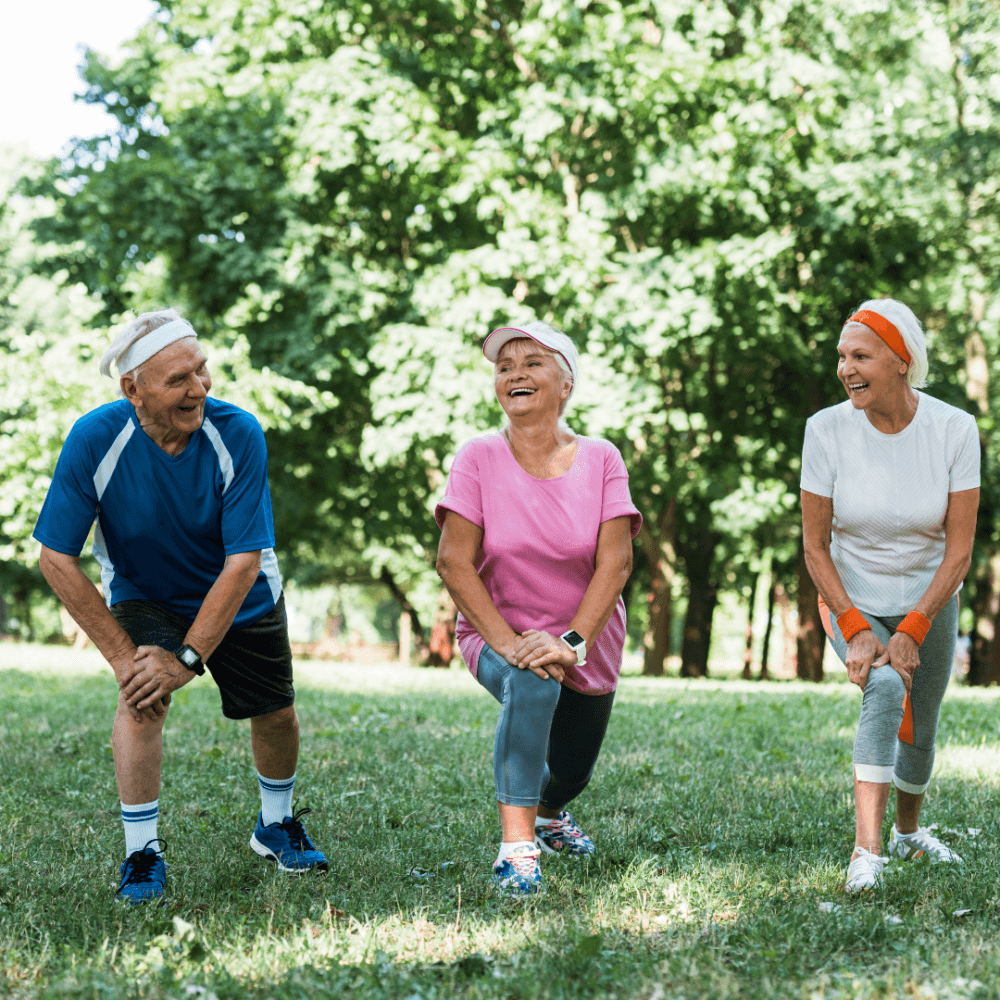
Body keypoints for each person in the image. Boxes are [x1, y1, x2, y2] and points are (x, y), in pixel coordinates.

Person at [33, 309, 328, 903]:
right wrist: (125, 659)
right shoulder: (95, 439)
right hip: (148, 595)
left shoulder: (239, 432)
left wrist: (188, 656)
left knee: (275, 712)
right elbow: (55, 558)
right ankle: (141, 853)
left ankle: (276, 823)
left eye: (202, 370)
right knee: (141, 697)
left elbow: (243, 561)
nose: (199, 388)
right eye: (178, 380)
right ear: (132, 390)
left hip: (242, 592)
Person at [435, 321, 641, 895]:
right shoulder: (477, 457)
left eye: (532, 362)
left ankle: (549, 815)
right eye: (504, 367)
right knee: (532, 683)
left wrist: (571, 642)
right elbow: (454, 562)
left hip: (587, 639)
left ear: (566, 382)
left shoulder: (602, 459)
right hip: (497, 631)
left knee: (573, 772)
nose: (514, 374)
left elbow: (615, 565)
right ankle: (516, 850)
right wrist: (509, 644)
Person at [800, 299, 979, 893]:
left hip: (929, 596)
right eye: (841, 357)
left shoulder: (954, 428)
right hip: (848, 593)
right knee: (881, 689)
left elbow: (958, 552)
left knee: (920, 725)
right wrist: (855, 627)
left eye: (860, 355)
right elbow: (815, 547)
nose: (846, 368)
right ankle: (866, 853)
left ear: (901, 360)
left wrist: (915, 628)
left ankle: (907, 834)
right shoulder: (825, 429)